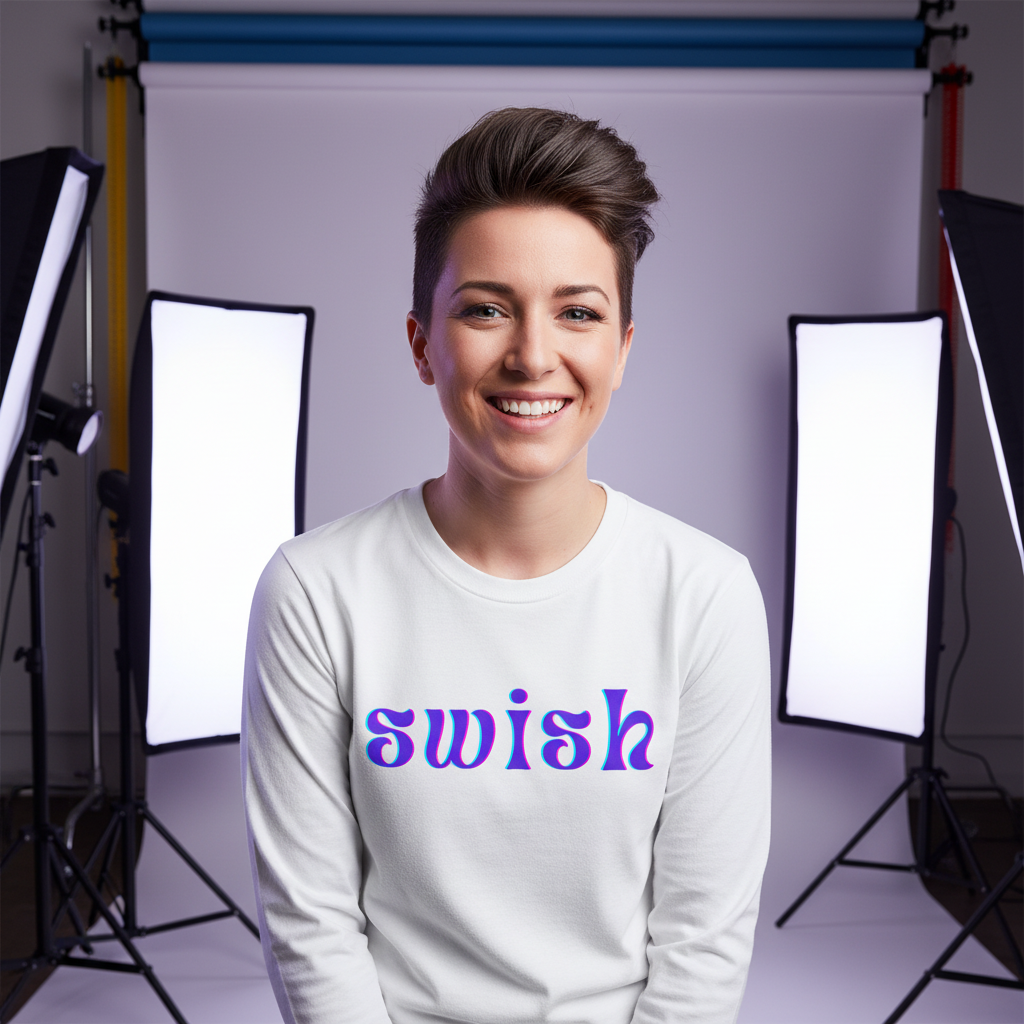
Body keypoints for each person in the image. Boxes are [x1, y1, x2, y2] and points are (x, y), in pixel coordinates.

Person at [242, 107, 771, 1024]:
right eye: (486, 309)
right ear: (421, 345)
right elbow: (311, 930)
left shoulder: (705, 595)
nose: (533, 356)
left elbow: (702, 945)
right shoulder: (316, 591)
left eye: (578, 313)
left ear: (622, 349)